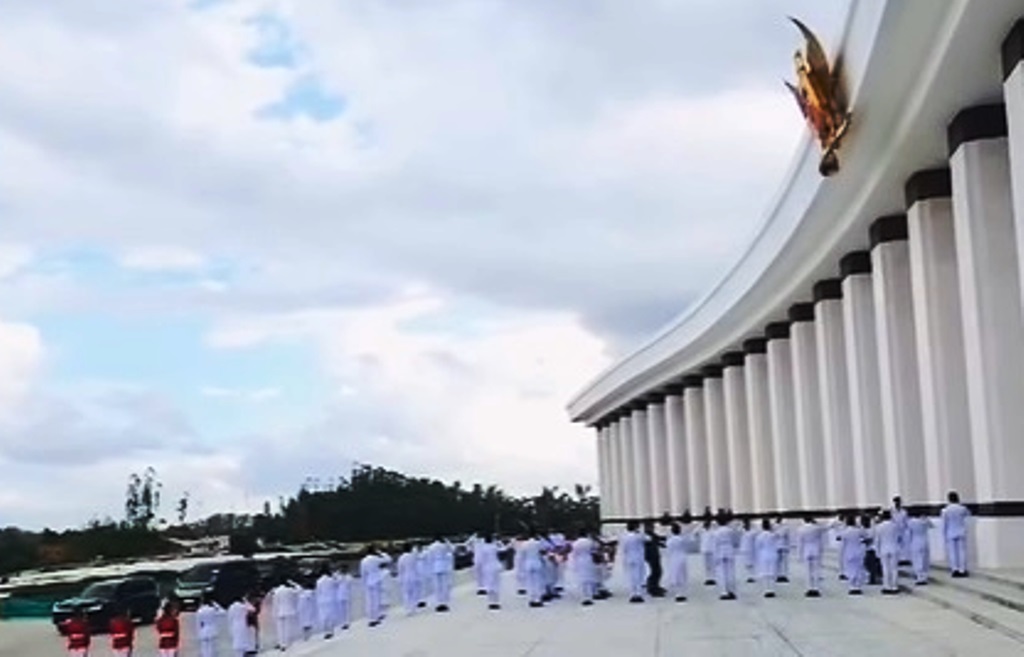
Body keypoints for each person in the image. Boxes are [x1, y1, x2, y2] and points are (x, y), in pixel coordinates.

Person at [941, 490, 971, 578]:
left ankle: (955, 569)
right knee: (962, 551)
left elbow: (944, 523)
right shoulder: (962, 508)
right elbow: (968, 514)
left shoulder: (945, 510)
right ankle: (962, 569)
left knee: (952, 552)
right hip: (961, 531)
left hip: (950, 532)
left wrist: (944, 534)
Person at [837, 516, 868, 595]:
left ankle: (852, 586)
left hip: (848, 552)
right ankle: (857, 586)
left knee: (850, 569)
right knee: (858, 569)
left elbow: (842, 542)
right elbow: (866, 536)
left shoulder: (845, 532)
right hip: (858, 551)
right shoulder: (858, 530)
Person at [797, 516, 827, 597]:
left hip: (806, 550)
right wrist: (816, 523)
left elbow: (800, 543)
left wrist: (799, 555)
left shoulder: (800, 529)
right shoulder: (817, 528)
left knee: (808, 571)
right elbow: (825, 528)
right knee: (816, 570)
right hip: (816, 549)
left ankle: (809, 588)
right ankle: (816, 588)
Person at [713, 512, 740, 600]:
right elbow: (735, 541)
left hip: (720, 551)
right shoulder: (730, 530)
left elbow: (715, 544)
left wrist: (715, 555)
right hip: (729, 550)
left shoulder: (716, 532)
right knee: (730, 572)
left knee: (721, 572)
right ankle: (730, 590)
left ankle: (723, 591)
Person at [620, 520, 647, 603]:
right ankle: (638, 594)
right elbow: (648, 539)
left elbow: (623, 549)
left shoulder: (624, 537)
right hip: (638, 557)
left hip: (629, 558)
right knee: (638, 576)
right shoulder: (638, 536)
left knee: (631, 577)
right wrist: (639, 532)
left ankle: (632, 594)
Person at [875, 509, 901, 594]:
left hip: (884, 548)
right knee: (894, 568)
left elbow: (877, 540)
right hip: (894, 548)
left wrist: (877, 551)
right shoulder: (895, 526)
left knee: (885, 568)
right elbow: (899, 537)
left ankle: (887, 586)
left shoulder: (879, 527)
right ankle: (895, 586)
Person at [570, 528, 597, 606]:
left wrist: (574, 564)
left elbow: (574, 554)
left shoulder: (575, 543)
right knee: (589, 578)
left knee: (582, 580)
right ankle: (589, 596)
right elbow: (594, 551)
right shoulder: (589, 542)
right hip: (588, 560)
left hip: (579, 561)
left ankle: (584, 597)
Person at [479, 533, 507, 610]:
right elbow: (504, 549)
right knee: (496, 584)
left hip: (487, 567)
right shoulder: (494, 547)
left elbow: (481, 559)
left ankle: (491, 602)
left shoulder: (483, 548)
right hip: (495, 566)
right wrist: (498, 541)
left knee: (489, 584)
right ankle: (496, 602)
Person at [665, 522, 690, 603]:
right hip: (681, 557)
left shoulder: (670, 540)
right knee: (682, 575)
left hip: (673, 558)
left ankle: (677, 593)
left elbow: (668, 549)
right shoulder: (682, 539)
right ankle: (681, 593)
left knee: (675, 575)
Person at [427, 535, 455, 612]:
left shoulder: (430, 547)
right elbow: (452, 549)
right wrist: (447, 541)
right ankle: (444, 602)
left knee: (437, 586)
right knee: (444, 585)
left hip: (435, 566)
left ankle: (438, 602)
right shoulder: (443, 546)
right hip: (443, 565)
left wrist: (430, 568)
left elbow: (430, 558)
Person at [360, 546, 386, 626]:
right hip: (376, 580)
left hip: (368, 581)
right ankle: (376, 617)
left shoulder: (363, 561)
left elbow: (363, 574)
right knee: (376, 600)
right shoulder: (375, 559)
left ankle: (371, 618)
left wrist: (363, 584)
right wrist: (381, 553)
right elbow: (388, 559)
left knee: (369, 601)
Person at [520, 529, 546, 608]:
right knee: (537, 582)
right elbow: (543, 552)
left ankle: (531, 599)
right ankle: (537, 599)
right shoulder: (538, 543)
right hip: (537, 562)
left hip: (528, 563)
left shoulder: (524, 544)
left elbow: (522, 555)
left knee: (530, 582)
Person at [908, 510, 934, 585]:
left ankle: (919, 576)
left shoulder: (911, 522)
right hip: (924, 541)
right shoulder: (925, 521)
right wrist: (925, 518)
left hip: (915, 542)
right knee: (925, 560)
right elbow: (932, 526)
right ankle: (924, 577)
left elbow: (908, 532)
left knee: (917, 559)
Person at [270, 580, 298, 649]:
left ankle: (281, 643)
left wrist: (274, 613)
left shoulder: (276, 591)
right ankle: (287, 643)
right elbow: (299, 590)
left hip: (279, 611)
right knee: (288, 628)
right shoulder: (289, 590)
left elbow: (275, 603)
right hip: (289, 611)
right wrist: (293, 583)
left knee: (280, 629)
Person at [755, 518, 778, 598]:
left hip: (763, 554)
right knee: (772, 572)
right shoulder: (773, 535)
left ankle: (766, 589)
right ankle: (772, 589)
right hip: (772, 554)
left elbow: (758, 547)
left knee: (765, 572)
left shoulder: (759, 536)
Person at [643, 520, 666, 596]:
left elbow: (658, 539)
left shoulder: (651, 534)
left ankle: (655, 585)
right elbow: (654, 541)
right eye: (651, 526)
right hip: (651, 556)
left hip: (655, 555)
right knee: (655, 572)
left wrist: (662, 542)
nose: (653, 527)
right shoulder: (646, 535)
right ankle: (652, 588)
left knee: (657, 571)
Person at [397, 543, 420, 615]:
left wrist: (400, 579)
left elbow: (400, 569)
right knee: (414, 593)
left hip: (405, 576)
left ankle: (408, 608)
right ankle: (413, 607)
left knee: (406, 593)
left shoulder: (401, 558)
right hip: (413, 575)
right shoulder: (413, 556)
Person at [315, 567, 336, 638]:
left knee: (323, 616)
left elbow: (318, 592)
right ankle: (331, 631)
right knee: (330, 615)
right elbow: (335, 586)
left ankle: (325, 631)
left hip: (321, 601)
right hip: (330, 599)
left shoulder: (318, 581)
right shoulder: (330, 580)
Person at [891, 496, 911, 565]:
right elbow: (892, 521)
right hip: (895, 530)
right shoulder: (892, 511)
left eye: (898, 502)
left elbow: (906, 521)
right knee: (896, 545)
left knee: (904, 544)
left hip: (903, 530)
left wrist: (906, 529)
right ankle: (898, 559)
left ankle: (905, 559)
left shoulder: (904, 512)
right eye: (896, 502)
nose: (897, 503)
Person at [333, 565, 353, 630]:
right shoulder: (337, 576)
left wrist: (343, 576)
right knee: (340, 610)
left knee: (347, 610)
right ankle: (342, 623)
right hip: (339, 595)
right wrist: (338, 574)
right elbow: (335, 583)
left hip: (346, 595)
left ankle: (347, 623)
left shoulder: (348, 576)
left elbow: (349, 583)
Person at [698, 518, 717, 586]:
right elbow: (695, 533)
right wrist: (700, 525)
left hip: (711, 550)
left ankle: (713, 578)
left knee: (712, 565)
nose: (706, 526)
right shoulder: (702, 531)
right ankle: (707, 578)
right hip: (704, 549)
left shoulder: (713, 532)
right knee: (706, 565)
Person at [774, 516, 792, 583]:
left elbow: (787, 538)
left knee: (781, 562)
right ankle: (781, 575)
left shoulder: (775, 527)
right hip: (781, 546)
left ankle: (782, 575)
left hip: (780, 546)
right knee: (781, 562)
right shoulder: (784, 528)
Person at [739, 518, 757, 584]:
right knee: (746, 564)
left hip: (751, 549)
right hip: (745, 549)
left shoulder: (753, 532)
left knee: (752, 564)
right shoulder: (742, 531)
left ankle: (752, 576)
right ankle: (749, 576)